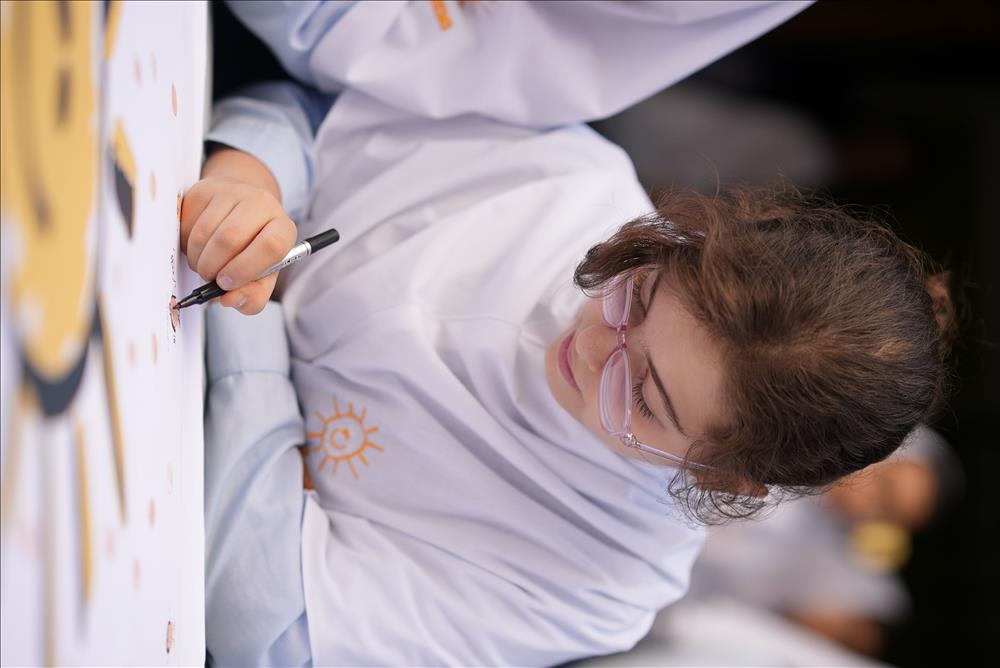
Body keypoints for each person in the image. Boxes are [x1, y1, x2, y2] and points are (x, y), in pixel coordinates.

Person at [192, 2, 953, 665]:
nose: (588, 346)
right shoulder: (569, 174)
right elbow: (316, 117)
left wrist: (248, 332)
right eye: (637, 297)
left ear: (724, 476)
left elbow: (269, 624)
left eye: (642, 394)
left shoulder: (596, 585)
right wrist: (250, 182)